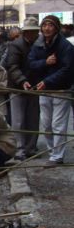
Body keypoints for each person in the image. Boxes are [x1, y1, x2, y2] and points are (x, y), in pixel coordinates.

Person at [28, 15, 74, 166]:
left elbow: (67, 69)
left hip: (61, 89)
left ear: (56, 28)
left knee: (58, 124)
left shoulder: (65, 46)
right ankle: (52, 151)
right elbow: (31, 63)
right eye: (44, 25)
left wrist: (47, 81)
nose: (47, 28)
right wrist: (45, 62)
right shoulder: (38, 44)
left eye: (50, 25)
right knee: (46, 124)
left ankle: (57, 156)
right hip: (43, 89)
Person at [5, 17, 41, 160]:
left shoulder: (39, 44)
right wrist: (22, 81)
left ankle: (31, 148)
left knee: (33, 118)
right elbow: (12, 66)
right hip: (17, 87)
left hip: (35, 86)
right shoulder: (16, 45)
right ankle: (19, 149)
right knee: (18, 120)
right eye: (29, 32)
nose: (31, 34)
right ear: (24, 32)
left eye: (34, 32)